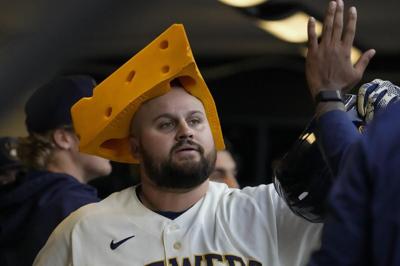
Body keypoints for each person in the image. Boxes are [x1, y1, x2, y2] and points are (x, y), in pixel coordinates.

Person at [34, 24, 322, 266]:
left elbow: (357, 210)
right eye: (166, 124)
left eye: (196, 120)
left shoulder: (268, 212)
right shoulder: (83, 230)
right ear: (135, 148)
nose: (186, 131)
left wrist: (330, 100)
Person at [0, 75, 112, 266]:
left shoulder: (27, 197)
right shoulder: (75, 205)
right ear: (63, 138)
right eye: (98, 126)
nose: (109, 135)